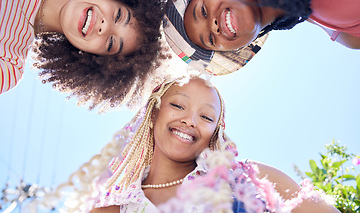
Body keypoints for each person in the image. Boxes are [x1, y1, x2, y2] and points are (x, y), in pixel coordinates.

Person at [47, 76, 339, 212]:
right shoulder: (114, 208)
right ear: (153, 113)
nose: (190, 121)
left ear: (215, 133)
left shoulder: (249, 179)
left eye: (206, 116)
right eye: (178, 105)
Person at [1, 0, 167, 109]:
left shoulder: (9, 65)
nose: (104, 27)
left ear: (94, 59)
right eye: (118, 15)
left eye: (111, 44)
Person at [163, 0, 360, 76]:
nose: (213, 26)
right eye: (210, 39)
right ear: (239, 47)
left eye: (203, 12)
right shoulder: (344, 32)